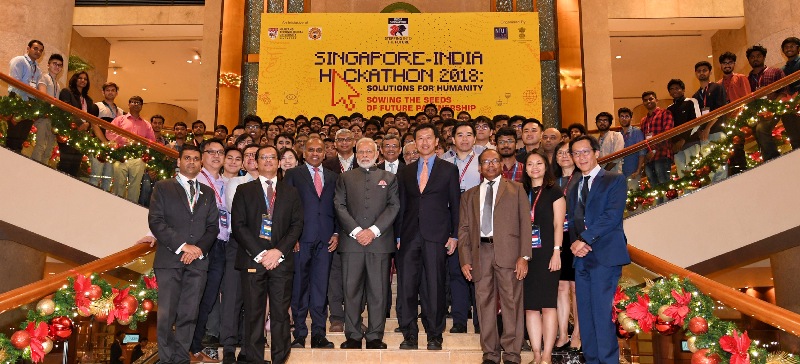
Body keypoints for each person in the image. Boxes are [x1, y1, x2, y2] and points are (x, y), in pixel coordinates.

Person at [458, 149, 531, 364]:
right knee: (484, 304)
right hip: (480, 253)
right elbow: (463, 229)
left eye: (494, 161)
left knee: (512, 303)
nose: (490, 165)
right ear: (479, 168)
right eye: (485, 162)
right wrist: (465, 260)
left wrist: (524, 256)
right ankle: (489, 353)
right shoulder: (469, 195)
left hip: (509, 253)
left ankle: (511, 354)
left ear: (501, 164)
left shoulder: (516, 189)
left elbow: (526, 225)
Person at [149, 145, 220, 364]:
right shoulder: (162, 187)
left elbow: (212, 227)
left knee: (189, 315)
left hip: (198, 263)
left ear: (201, 163)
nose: (191, 162)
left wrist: (198, 249)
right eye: (187, 158)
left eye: (196, 159)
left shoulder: (207, 192)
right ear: (178, 162)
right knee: (167, 315)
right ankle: (166, 359)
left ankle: (181, 359)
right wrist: (182, 246)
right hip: (170, 260)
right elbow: (156, 221)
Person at [232, 145, 303, 364]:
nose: (269, 161)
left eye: (273, 157)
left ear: (280, 162)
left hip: (281, 261)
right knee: (253, 314)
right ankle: (254, 359)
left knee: (281, 315)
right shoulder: (244, 190)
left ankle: (280, 359)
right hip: (254, 260)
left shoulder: (290, 192)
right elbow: (239, 226)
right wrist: (262, 253)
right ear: (255, 162)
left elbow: (296, 225)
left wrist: (278, 252)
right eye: (263, 157)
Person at [396, 123, 460, 351]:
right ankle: (409, 334)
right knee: (407, 287)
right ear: (414, 142)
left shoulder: (449, 169)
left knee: (434, 286)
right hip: (408, 235)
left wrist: (454, 235)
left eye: (428, 138)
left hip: (437, 235)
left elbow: (456, 205)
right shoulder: (404, 171)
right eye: (419, 138)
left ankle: (434, 334)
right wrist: (397, 235)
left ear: (436, 142)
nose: (424, 142)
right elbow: (401, 205)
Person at [567, 135, 630, 364]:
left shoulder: (615, 179)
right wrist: (577, 244)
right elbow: (574, 219)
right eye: (576, 153)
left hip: (605, 255)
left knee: (603, 315)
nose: (581, 157)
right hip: (582, 257)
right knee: (585, 314)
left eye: (585, 152)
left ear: (596, 153)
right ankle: (592, 360)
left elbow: (611, 216)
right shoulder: (574, 184)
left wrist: (585, 239)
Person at [334, 138, 400, 349]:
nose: (364, 155)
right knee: (350, 290)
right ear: (356, 153)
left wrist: (372, 231)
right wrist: (356, 231)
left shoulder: (389, 178)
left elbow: (393, 207)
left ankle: (374, 336)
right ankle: (352, 335)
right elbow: (339, 205)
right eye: (360, 151)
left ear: (377, 153)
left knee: (378, 291)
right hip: (351, 244)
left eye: (368, 151)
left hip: (379, 243)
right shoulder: (344, 178)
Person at [282, 138, 338, 349]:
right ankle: (299, 333)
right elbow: (286, 207)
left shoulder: (333, 177)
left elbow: (338, 207)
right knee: (299, 288)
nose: (315, 153)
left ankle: (318, 334)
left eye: (319, 150)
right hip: (300, 239)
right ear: (303, 153)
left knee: (320, 288)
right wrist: (291, 236)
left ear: (325, 153)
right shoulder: (293, 174)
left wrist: (336, 232)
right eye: (311, 150)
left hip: (325, 240)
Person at [189, 139, 230, 364]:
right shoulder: (195, 179)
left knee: (209, 298)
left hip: (221, 245)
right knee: (195, 297)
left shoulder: (224, 182)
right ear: (202, 156)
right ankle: (187, 347)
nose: (216, 156)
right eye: (211, 152)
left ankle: (195, 346)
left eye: (220, 152)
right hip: (201, 245)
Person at [522, 151, 566, 364]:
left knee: (548, 305)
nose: (535, 167)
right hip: (526, 255)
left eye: (539, 163)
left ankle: (547, 356)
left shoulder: (554, 191)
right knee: (530, 307)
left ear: (546, 166)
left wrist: (557, 251)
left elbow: (559, 224)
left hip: (549, 252)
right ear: (525, 168)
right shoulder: (520, 190)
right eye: (530, 164)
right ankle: (536, 354)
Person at [220, 144, 260, 364]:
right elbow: (237, 212)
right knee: (233, 296)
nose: (252, 159)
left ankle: (247, 348)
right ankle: (228, 347)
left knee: (253, 299)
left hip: (263, 248)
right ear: (244, 162)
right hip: (239, 244)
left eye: (257, 155)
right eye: (249, 156)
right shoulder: (236, 182)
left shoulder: (271, 185)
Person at [443, 121, 484, 334]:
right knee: (456, 271)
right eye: (460, 135)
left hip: (477, 220)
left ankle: (479, 320)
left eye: (469, 134)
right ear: (453, 139)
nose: (465, 139)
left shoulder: (483, 160)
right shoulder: (443, 161)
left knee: (477, 270)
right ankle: (459, 320)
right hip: (451, 220)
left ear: (475, 138)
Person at [552, 142, 580, 352]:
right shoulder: (551, 181)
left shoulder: (582, 179)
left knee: (575, 288)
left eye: (567, 152)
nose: (563, 156)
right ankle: (562, 334)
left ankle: (577, 334)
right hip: (556, 238)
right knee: (560, 287)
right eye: (560, 153)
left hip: (577, 238)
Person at [107, 96, 156, 202]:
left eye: (138, 103)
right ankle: (116, 205)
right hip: (121, 155)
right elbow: (109, 133)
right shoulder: (120, 120)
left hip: (138, 158)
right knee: (119, 183)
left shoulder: (146, 124)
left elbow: (151, 141)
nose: (135, 104)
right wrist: (124, 139)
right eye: (133, 102)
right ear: (129, 105)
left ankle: (131, 209)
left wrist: (139, 143)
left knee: (135, 186)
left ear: (141, 106)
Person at [747, 44, 787, 161]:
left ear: (764, 57)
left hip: (773, 109)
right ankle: (765, 160)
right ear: (749, 60)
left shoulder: (775, 72)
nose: (755, 58)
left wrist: (773, 106)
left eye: (758, 56)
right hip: (755, 113)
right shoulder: (747, 79)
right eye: (752, 57)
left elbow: (784, 91)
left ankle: (773, 159)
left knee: (761, 129)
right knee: (755, 131)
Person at [693, 61, 730, 182]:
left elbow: (720, 110)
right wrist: (700, 131)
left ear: (710, 72)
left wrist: (708, 128)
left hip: (717, 130)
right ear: (695, 74)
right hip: (704, 136)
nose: (701, 73)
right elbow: (695, 118)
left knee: (721, 165)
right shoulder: (695, 96)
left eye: (704, 70)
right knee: (710, 168)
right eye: (699, 71)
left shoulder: (717, 87)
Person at [57, 71, 98, 176]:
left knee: (75, 166)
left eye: (85, 79)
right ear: (75, 79)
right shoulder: (67, 92)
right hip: (70, 132)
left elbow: (91, 117)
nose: (83, 80)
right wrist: (80, 124)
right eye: (80, 78)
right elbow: (67, 109)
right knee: (65, 164)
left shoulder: (88, 100)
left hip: (82, 135)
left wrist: (87, 125)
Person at [91, 82, 125, 191]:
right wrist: (104, 141)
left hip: (113, 149)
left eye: (113, 90)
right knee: (95, 176)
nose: (110, 92)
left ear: (116, 93)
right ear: (103, 92)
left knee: (108, 179)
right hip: (99, 146)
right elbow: (94, 124)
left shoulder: (121, 112)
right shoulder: (97, 106)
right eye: (108, 90)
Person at [31, 53, 63, 164]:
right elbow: (43, 95)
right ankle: (34, 172)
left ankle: (41, 174)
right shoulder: (44, 77)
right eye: (55, 63)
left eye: (60, 65)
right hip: (44, 116)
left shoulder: (58, 85)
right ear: (48, 64)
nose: (57, 67)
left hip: (53, 119)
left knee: (49, 150)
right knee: (40, 146)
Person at [666, 79, 701, 178]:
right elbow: (670, 129)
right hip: (676, 148)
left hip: (691, 142)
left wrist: (683, 140)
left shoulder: (691, 102)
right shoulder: (669, 109)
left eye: (677, 88)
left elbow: (697, 122)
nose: (674, 91)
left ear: (683, 89)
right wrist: (673, 144)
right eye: (671, 89)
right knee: (682, 176)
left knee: (694, 172)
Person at [638, 91, 674, 187]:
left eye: (651, 99)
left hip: (662, 155)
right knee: (654, 189)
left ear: (656, 100)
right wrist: (646, 155)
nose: (648, 101)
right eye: (645, 100)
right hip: (648, 159)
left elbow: (667, 134)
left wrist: (653, 151)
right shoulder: (643, 121)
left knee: (665, 186)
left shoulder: (665, 113)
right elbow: (642, 140)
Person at [618, 108, 646, 190]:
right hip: (621, 173)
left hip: (633, 172)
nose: (624, 119)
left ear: (631, 118)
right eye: (622, 116)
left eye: (627, 116)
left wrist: (638, 170)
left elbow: (642, 152)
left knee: (634, 196)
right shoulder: (618, 134)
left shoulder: (636, 132)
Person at [780, 37, 800, 150]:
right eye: (786, 47)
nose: (789, 49)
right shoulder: (782, 70)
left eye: (792, 46)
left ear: (798, 48)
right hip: (790, 103)